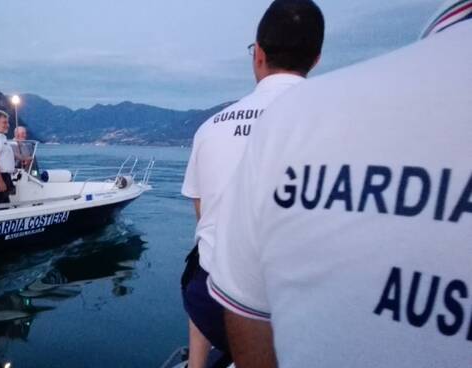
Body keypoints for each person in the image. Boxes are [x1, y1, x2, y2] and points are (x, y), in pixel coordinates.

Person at [207, 3, 472, 367]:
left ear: (258, 54)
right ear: (316, 58)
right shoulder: (299, 118)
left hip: (218, 295)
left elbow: (242, 304)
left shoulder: (285, 122)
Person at [179, 1, 324, 366]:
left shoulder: (210, 127)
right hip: (299, 314)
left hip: (212, 304)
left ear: (257, 55)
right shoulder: (337, 120)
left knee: (207, 251)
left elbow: (204, 215)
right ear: (316, 58)